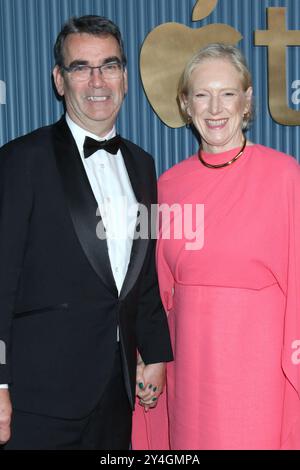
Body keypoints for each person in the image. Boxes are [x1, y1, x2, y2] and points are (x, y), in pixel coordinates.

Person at [0, 15, 172, 450]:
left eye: (109, 65)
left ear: (125, 78)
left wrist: (154, 353)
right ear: (60, 80)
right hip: (37, 400)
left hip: (115, 395)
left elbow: (143, 270)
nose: (97, 80)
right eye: (81, 67)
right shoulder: (21, 159)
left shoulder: (143, 164)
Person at [133, 43, 300, 450]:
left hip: (261, 377)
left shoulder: (285, 176)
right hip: (189, 375)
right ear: (185, 105)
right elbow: (152, 290)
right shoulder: (165, 187)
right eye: (202, 95)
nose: (214, 108)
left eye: (227, 93)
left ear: (246, 102)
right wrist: (145, 357)